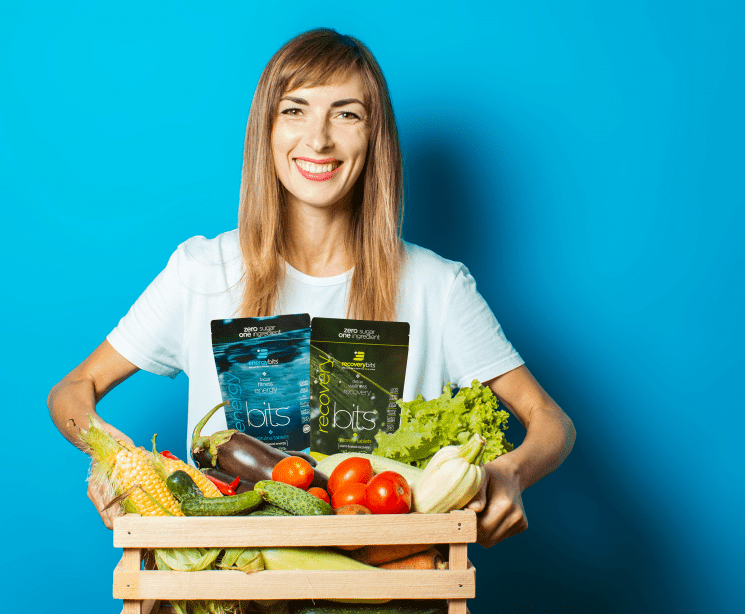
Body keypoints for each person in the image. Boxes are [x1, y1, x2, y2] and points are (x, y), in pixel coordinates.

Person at [47, 28, 575, 547]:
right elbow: (72, 391)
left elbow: (552, 422)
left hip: (386, 583)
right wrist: (107, 456)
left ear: (374, 137)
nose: (318, 139)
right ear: (267, 131)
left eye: (346, 114)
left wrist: (511, 473)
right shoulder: (202, 270)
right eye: (294, 110)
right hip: (228, 584)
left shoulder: (437, 287)